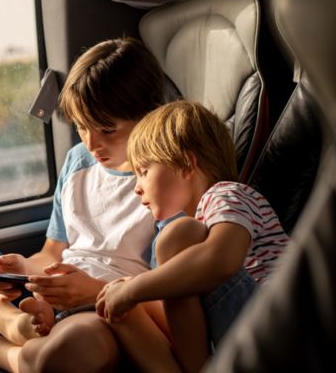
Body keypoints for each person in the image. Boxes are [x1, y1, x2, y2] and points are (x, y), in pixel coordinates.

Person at [0, 36, 165, 372]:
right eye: (81, 127)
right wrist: (22, 270)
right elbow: (52, 253)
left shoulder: (164, 182)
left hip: (104, 309)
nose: (91, 143)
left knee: (69, 352)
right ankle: (6, 320)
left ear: (149, 117)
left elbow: (164, 295)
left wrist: (91, 291)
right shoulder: (79, 161)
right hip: (53, 290)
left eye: (107, 130)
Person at [95, 100, 292, 373]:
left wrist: (134, 289)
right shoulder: (203, 219)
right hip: (243, 330)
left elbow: (222, 259)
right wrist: (127, 290)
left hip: (281, 329)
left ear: (187, 164)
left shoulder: (227, 194)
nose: (137, 188)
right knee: (118, 308)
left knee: (176, 238)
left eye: (143, 172)